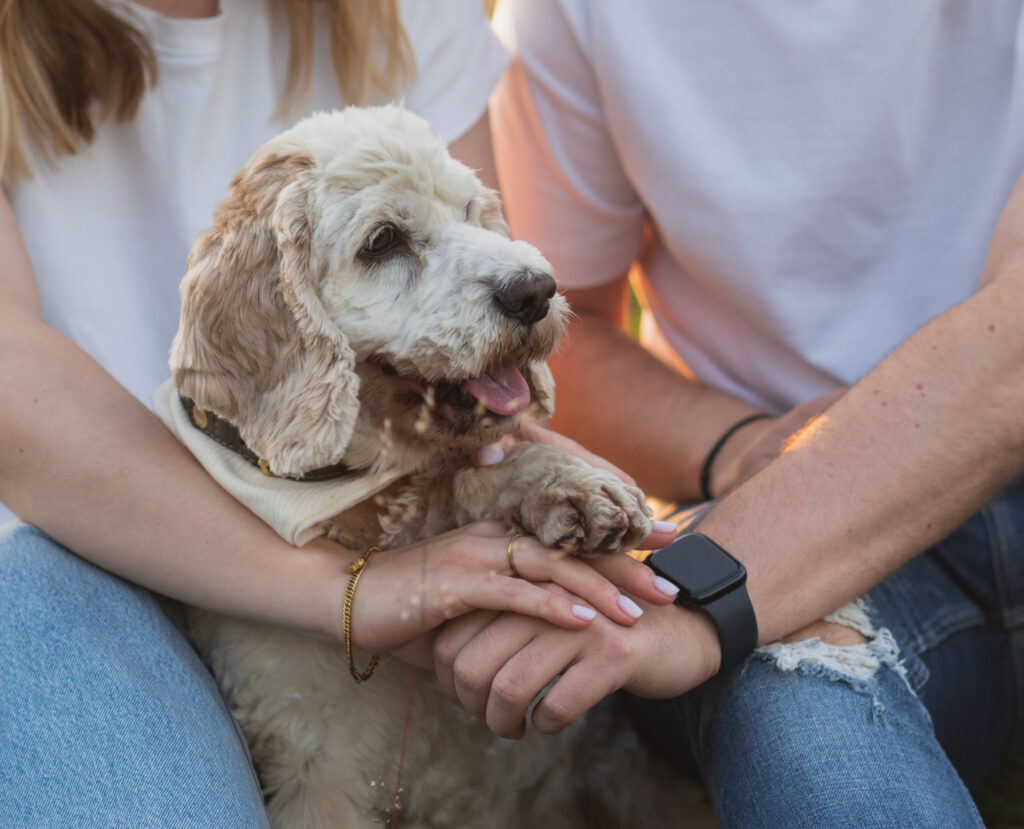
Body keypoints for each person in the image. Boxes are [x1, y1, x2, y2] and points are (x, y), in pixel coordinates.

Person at [0, 1, 680, 825]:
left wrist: (529, 465)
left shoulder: (401, 11)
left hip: (398, 491)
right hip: (69, 559)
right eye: (383, 242)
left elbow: (470, 311)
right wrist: (352, 592)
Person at [429, 1, 1024, 826]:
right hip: (822, 526)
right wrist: (736, 446)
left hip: (814, 516)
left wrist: (711, 598)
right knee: (790, 692)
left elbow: (1012, 361)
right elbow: (560, 335)